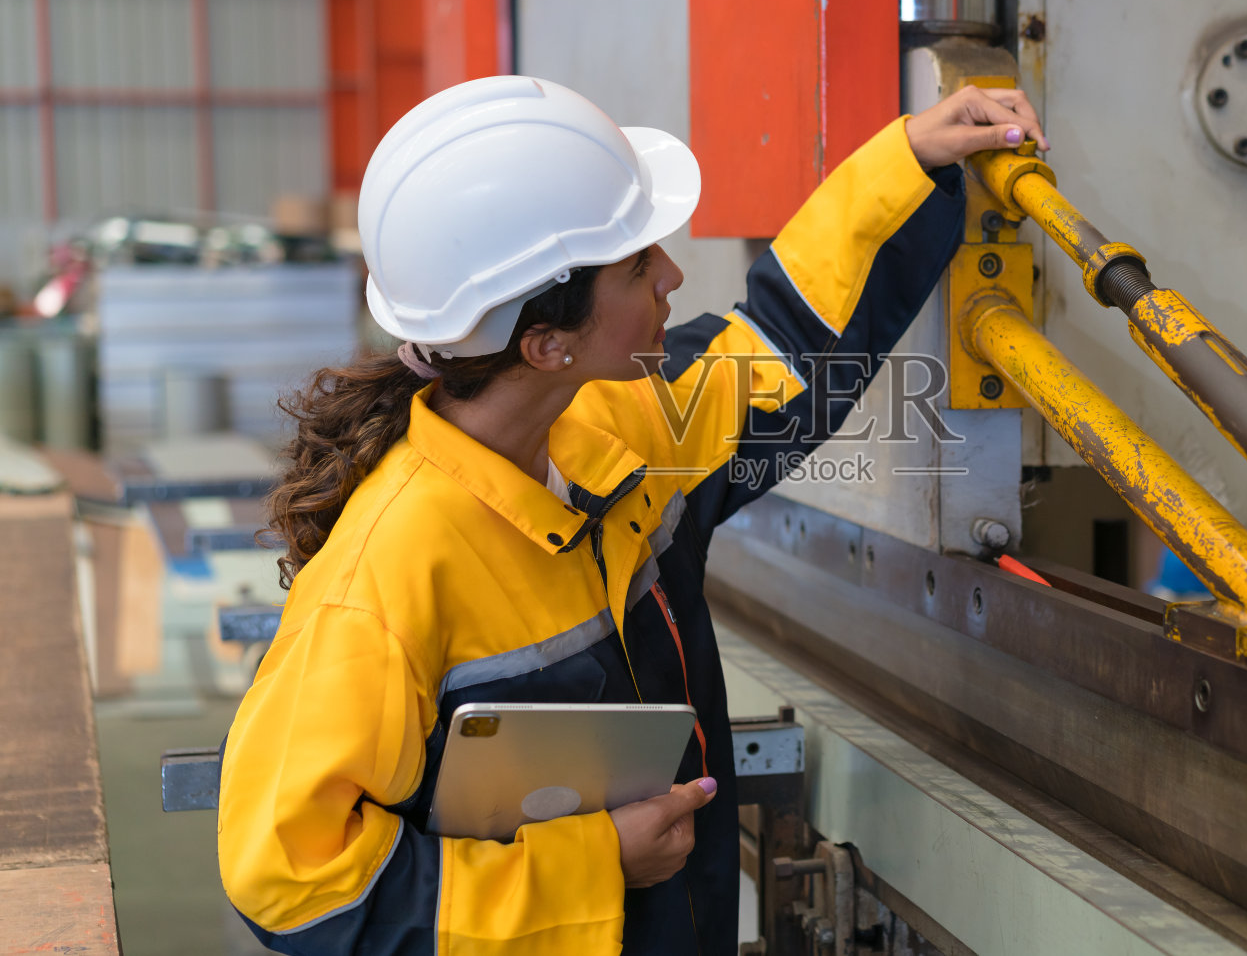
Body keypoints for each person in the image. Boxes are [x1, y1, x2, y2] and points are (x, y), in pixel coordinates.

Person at [217, 75, 1046, 955]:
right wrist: (594, 861)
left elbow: (776, 346)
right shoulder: (383, 578)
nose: (672, 276)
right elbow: (294, 884)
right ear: (546, 342)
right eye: (638, 265)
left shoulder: (613, 430)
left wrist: (908, 162)